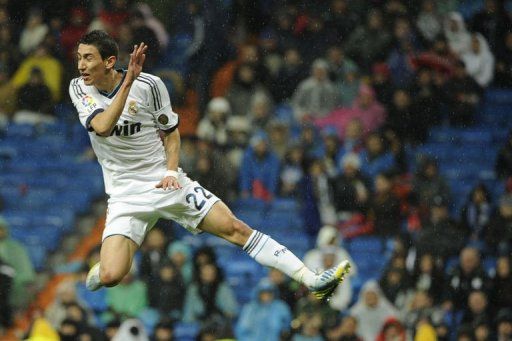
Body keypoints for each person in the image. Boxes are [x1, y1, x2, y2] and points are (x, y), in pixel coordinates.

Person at [69, 30, 350, 300]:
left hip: (164, 182)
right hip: (125, 194)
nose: (81, 65)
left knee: (235, 229)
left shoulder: (150, 86)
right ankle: (102, 271)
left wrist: (170, 171)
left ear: (108, 62)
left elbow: (171, 133)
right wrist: (128, 82)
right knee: (111, 276)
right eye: (79, 57)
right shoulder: (80, 88)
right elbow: (103, 126)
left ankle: (312, 280)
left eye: (88, 58)